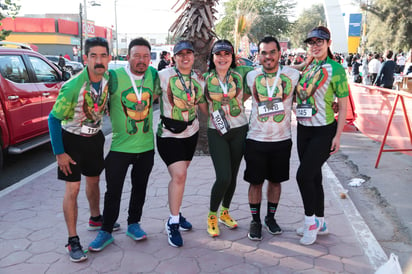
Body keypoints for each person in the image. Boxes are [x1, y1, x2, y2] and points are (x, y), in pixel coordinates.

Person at [88, 38, 160, 252]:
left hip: (146, 147)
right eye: (136, 55)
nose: (141, 60)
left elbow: (157, 94)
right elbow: (95, 93)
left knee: (140, 188)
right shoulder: (114, 76)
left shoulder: (153, 75)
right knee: (113, 192)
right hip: (119, 147)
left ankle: (133, 224)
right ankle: (106, 231)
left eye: (146, 56)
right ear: (127, 56)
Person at [48, 37, 113, 262]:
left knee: (94, 181)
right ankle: (72, 240)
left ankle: (96, 218)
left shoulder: (107, 80)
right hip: (72, 141)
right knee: (73, 189)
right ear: (85, 58)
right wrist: (60, 153)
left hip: (95, 138)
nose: (98, 60)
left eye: (103, 56)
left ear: (109, 58)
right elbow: (53, 119)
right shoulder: (73, 86)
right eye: (93, 55)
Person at [295, 26, 348, 245]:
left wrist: (338, 136)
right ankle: (321, 222)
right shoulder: (308, 66)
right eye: (311, 42)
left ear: (328, 43)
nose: (315, 46)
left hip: (323, 130)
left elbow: (343, 106)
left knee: (303, 176)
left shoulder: (336, 69)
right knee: (314, 176)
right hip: (303, 129)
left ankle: (310, 223)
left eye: (320, 42)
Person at [244, 36, 300, 241]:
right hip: (255, 139)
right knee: (255, 182)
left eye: (272, 52)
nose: (268, 56)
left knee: (276, 182)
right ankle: (255, 221)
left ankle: (270, 218)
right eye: (264, 52)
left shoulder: (293, 75)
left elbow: (308, 95)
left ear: (279, 53)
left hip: (282, 139)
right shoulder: (250, 76)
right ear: (258, 55)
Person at [156, 40, 207, 247]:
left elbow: (203, 105)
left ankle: (175, 212)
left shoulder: (198, 79)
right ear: (173, 57)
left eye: (189, 53)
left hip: (191, 133)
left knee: (179, 178)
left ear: (194, 56)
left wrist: (224, 118)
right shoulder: (161, 76)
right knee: (179, 175)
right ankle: (173, 223)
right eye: (180, 54)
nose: (185, 57)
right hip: (168, 134)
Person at [202, 40, 253, 237]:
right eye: (218, 54)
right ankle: (212, 215)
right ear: (212, 57)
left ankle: (225, 211)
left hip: (240, 129)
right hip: (217, 132)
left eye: (227, 54)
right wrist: (215, 117)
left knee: (232, 175)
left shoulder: (241, 73)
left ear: (232, 57)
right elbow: (201, 104)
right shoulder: (204, 78)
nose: (222, 58)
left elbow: (269, 67)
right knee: (223, 176)